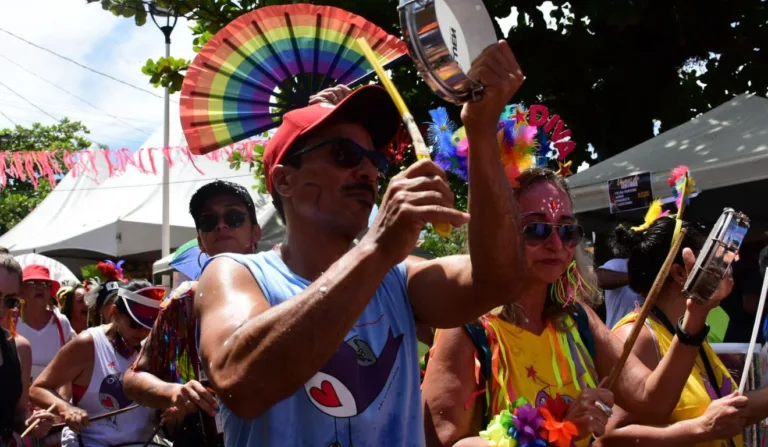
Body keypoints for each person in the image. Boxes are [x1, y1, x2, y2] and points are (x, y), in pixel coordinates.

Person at [196, 41, 526, 445]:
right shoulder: (237, 272)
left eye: (376, 160)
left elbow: (500, 280)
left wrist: (481, 127)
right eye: (343, 153)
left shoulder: (398, 279)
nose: (368, 169)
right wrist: (377, 247)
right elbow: (240, 382)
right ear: (284, 180)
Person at [420, 110, 732, 446]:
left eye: (568, 231)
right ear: (498, 231)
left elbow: (652, 402)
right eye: (536, 229)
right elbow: (442, 442)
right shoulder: (465, 325)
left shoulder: (575, 318)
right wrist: (553, 431)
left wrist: (695, 313)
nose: (556, 244)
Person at [599, 218, 768, 447]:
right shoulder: (638, 336)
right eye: (712, 258)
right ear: (680, 273)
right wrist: (700, 429)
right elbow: (609, 437)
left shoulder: (688, 330)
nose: (727, 264)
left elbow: (727, 414)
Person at [123, 180, 262, 446]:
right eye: (208, 222)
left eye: (233, 217)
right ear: (200, 240)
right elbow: (133, 378)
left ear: (255, 233)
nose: (221, 225)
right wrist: (173, 392)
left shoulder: (283, 286)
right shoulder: (185, 300)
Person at [30, 279, 164, 447]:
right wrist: (66, 409)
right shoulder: (88, 344)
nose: (142, 333)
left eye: (148, 326)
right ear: (114, 313)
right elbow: (38, 388)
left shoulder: (154, 347)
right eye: (134, 324)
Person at [0, 255, 55, 445]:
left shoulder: (20, 349)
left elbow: (19, 414)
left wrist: (32, 423)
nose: (1, 308)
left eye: (9, 301)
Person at [15, 265, 75, 383]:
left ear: (50, 292)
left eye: (45, 284)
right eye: (32, 283)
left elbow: (72, 365)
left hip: (52, 398)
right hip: (16, 398)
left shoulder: (61, 322)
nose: (39, 288)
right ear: (22, 291)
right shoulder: (10, 322)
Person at [597, 226, 645, 329]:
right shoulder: (618, 265)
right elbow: (598, 278)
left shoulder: (653, 267)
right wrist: (636, 277)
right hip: (617, 337)